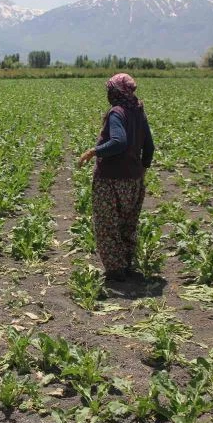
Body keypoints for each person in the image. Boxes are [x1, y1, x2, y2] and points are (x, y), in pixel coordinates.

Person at [78, 73, 155, 281]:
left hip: (110, 180)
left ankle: (115, 269)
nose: (108, 94)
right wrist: (142, 169)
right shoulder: (138, 111)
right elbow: (149, 146)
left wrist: (94, 151)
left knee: (107, 225)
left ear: (116, 92)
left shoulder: (117, 113)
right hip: (134, 181)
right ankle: (126, 264)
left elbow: (118, 142)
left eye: (110, 90)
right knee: (128, 224)